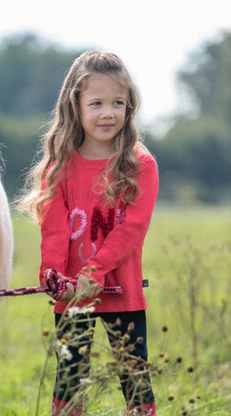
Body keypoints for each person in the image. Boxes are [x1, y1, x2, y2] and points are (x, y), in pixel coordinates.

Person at [18, 51, 158, 415]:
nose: (108, 112)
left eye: (118, 103)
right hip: (72, 294)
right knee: (69, 375)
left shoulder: (140, 165)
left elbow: (133, 229)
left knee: (135, 377)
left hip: (120, 290)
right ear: (75, 105)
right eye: (96, 103)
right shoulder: (59, 167)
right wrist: (53, 274)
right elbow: (53, 231)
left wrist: (94, 271)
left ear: (129, 108)